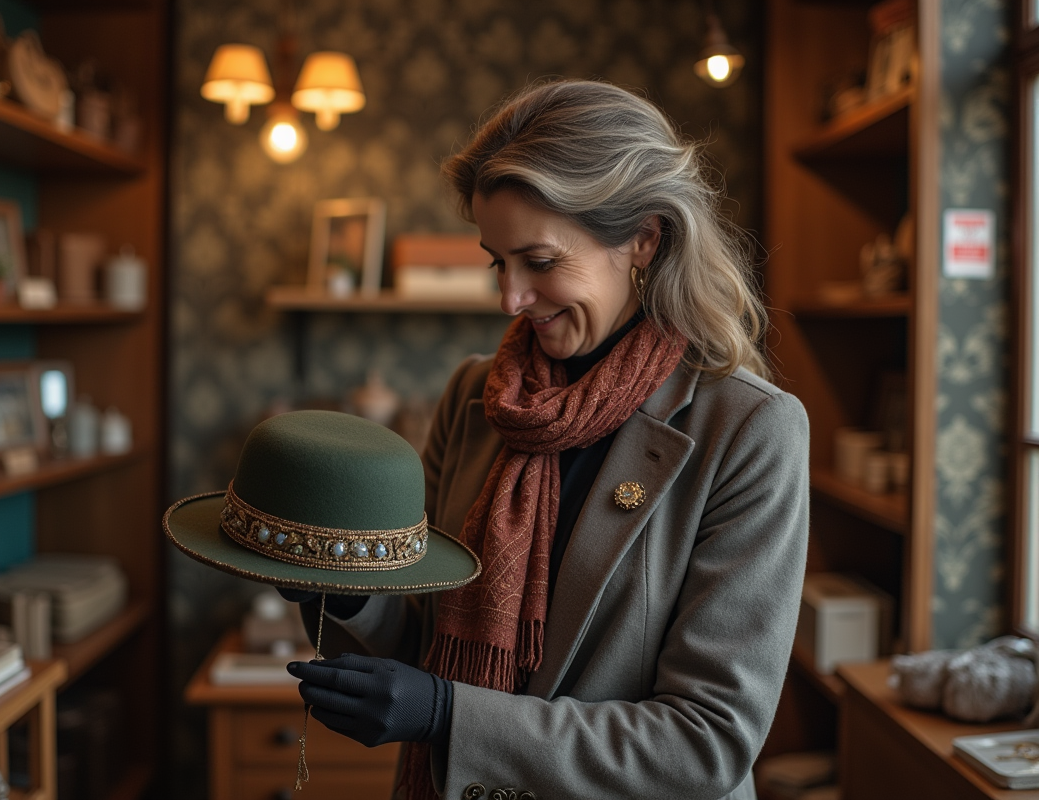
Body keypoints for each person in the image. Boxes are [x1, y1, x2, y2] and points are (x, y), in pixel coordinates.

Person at [284, 79, 809, 800]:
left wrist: (447, 715)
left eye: (541, 261)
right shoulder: (474, 397)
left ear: (644, 240)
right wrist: (343, 599)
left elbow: (706, 741)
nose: (509, 299)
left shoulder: (750, 430)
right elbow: (428, 640)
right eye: (497, 262)